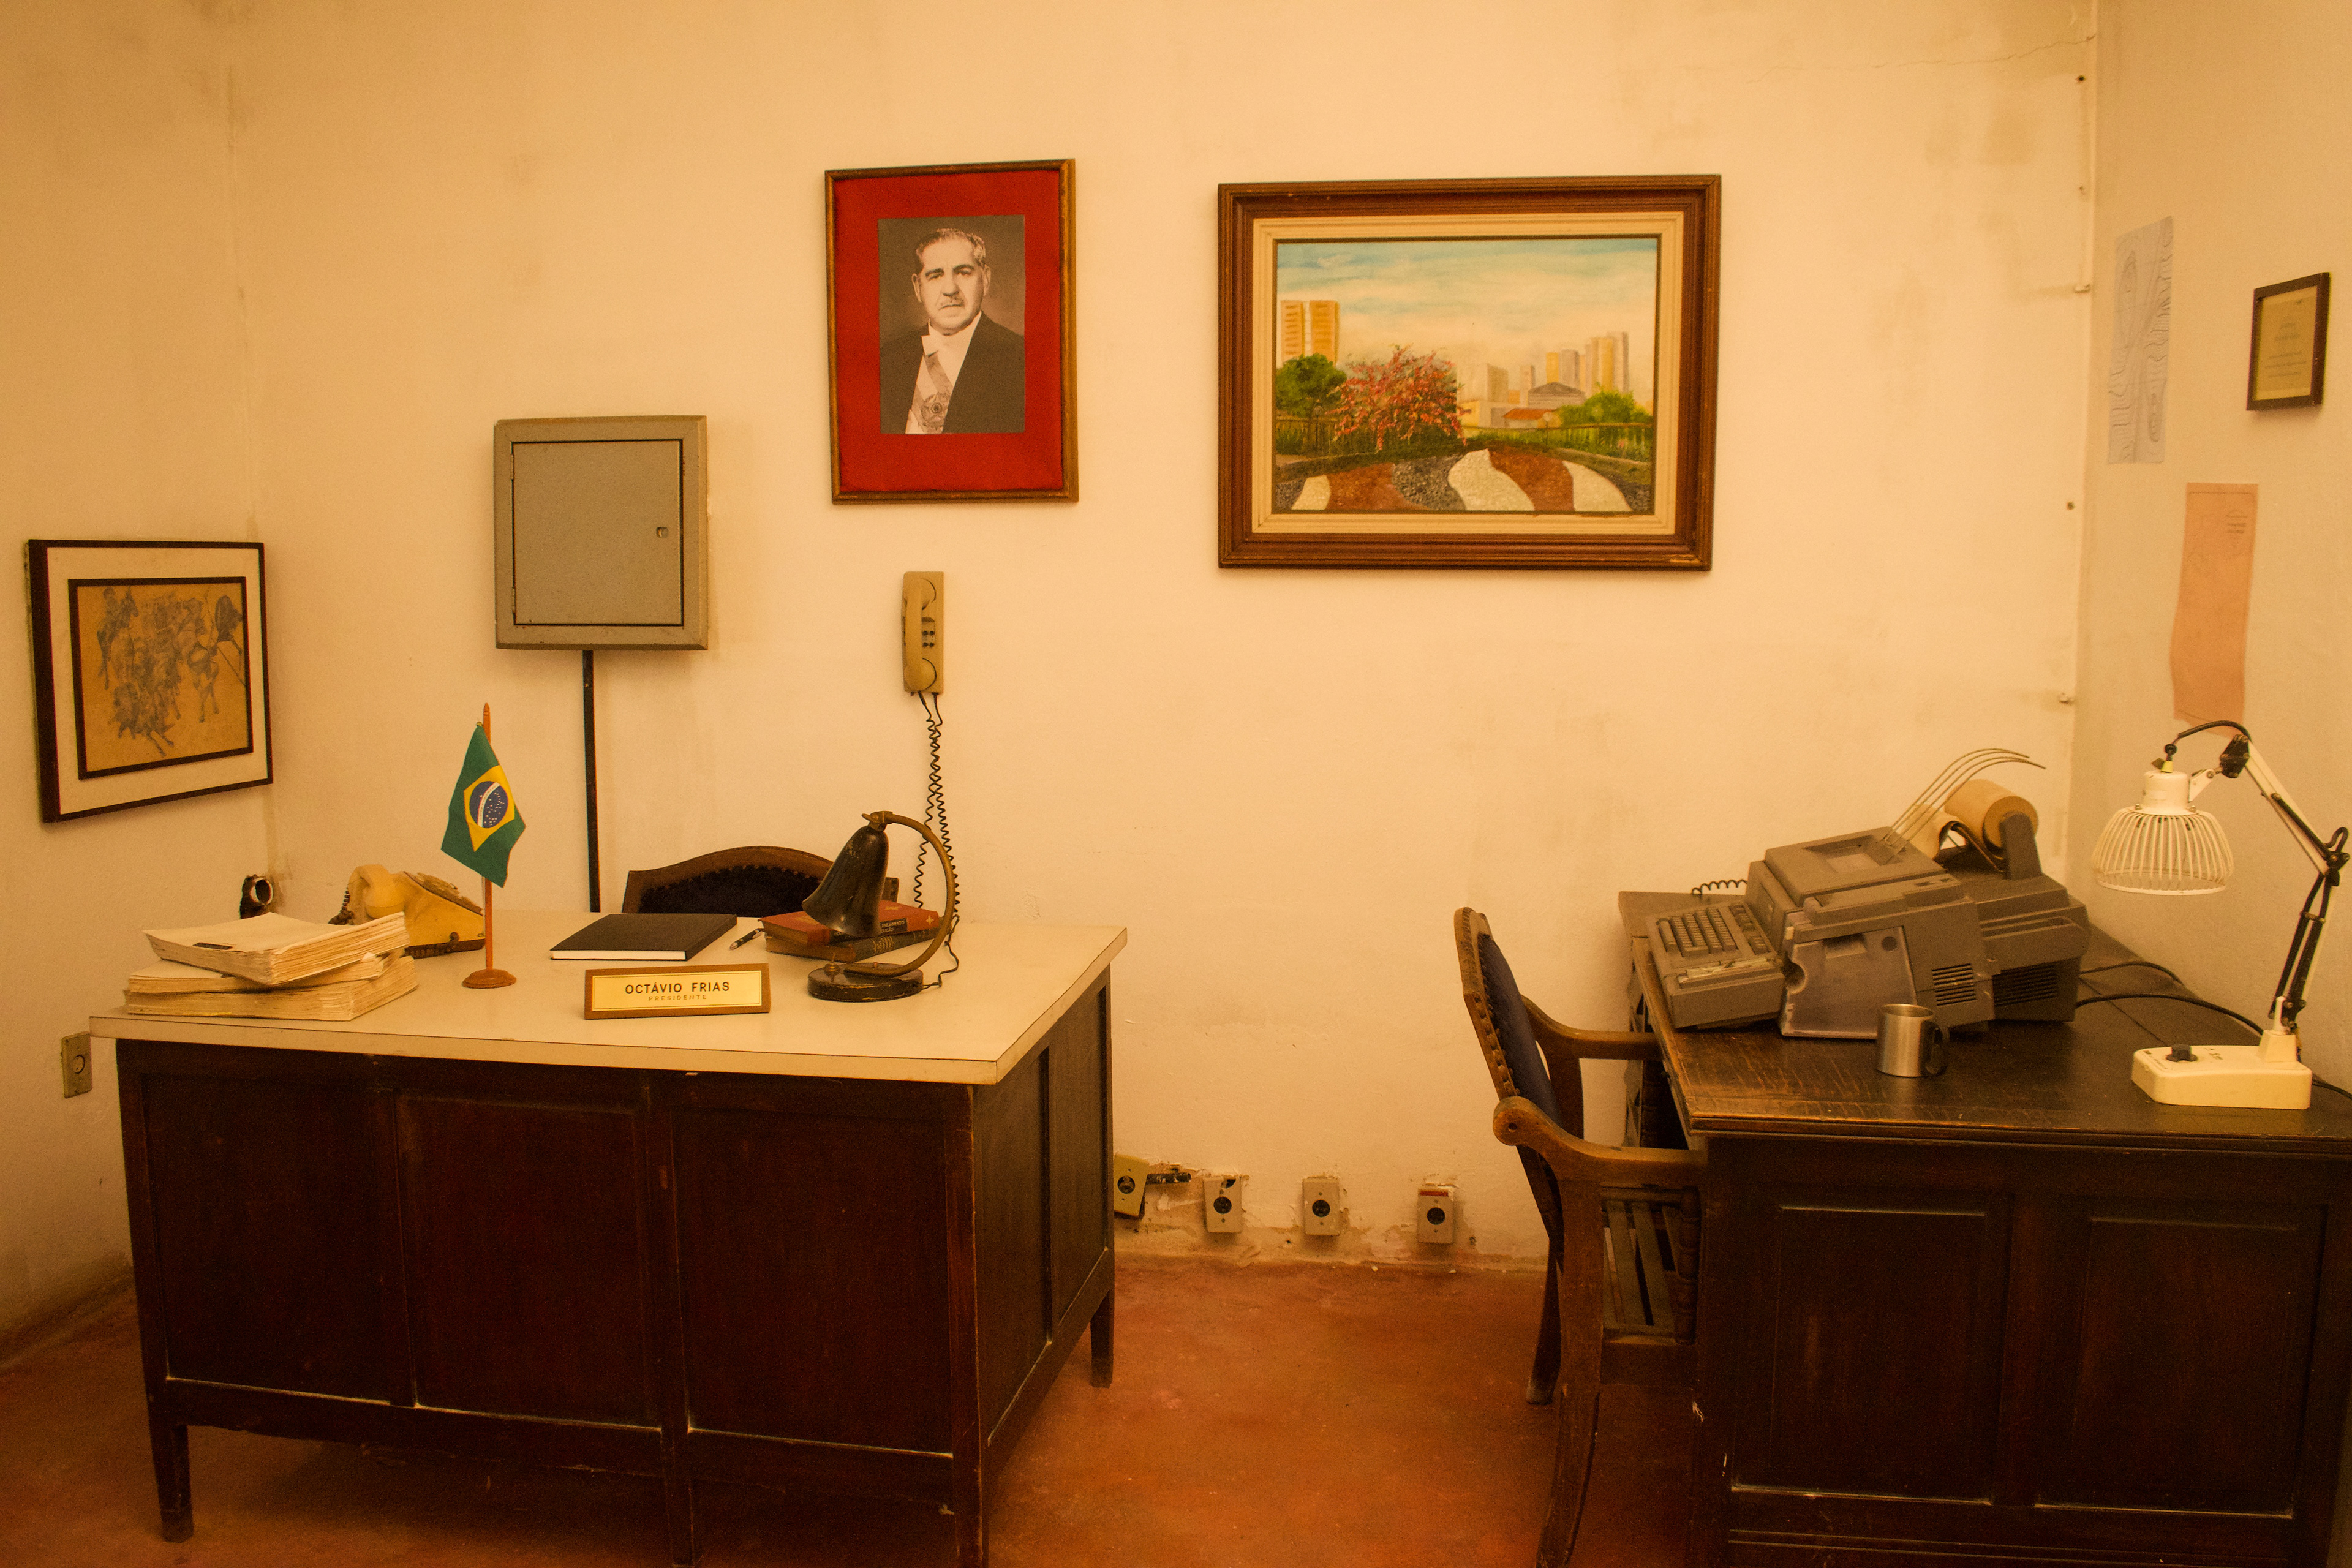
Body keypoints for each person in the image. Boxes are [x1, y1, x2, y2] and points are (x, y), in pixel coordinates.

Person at [880, 228, 1025, 434]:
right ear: (918, 288)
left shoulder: (1022, 359)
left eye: (964, 272)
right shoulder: (887, 359)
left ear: (985, 280)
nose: (950, 289)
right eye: (935, 276)